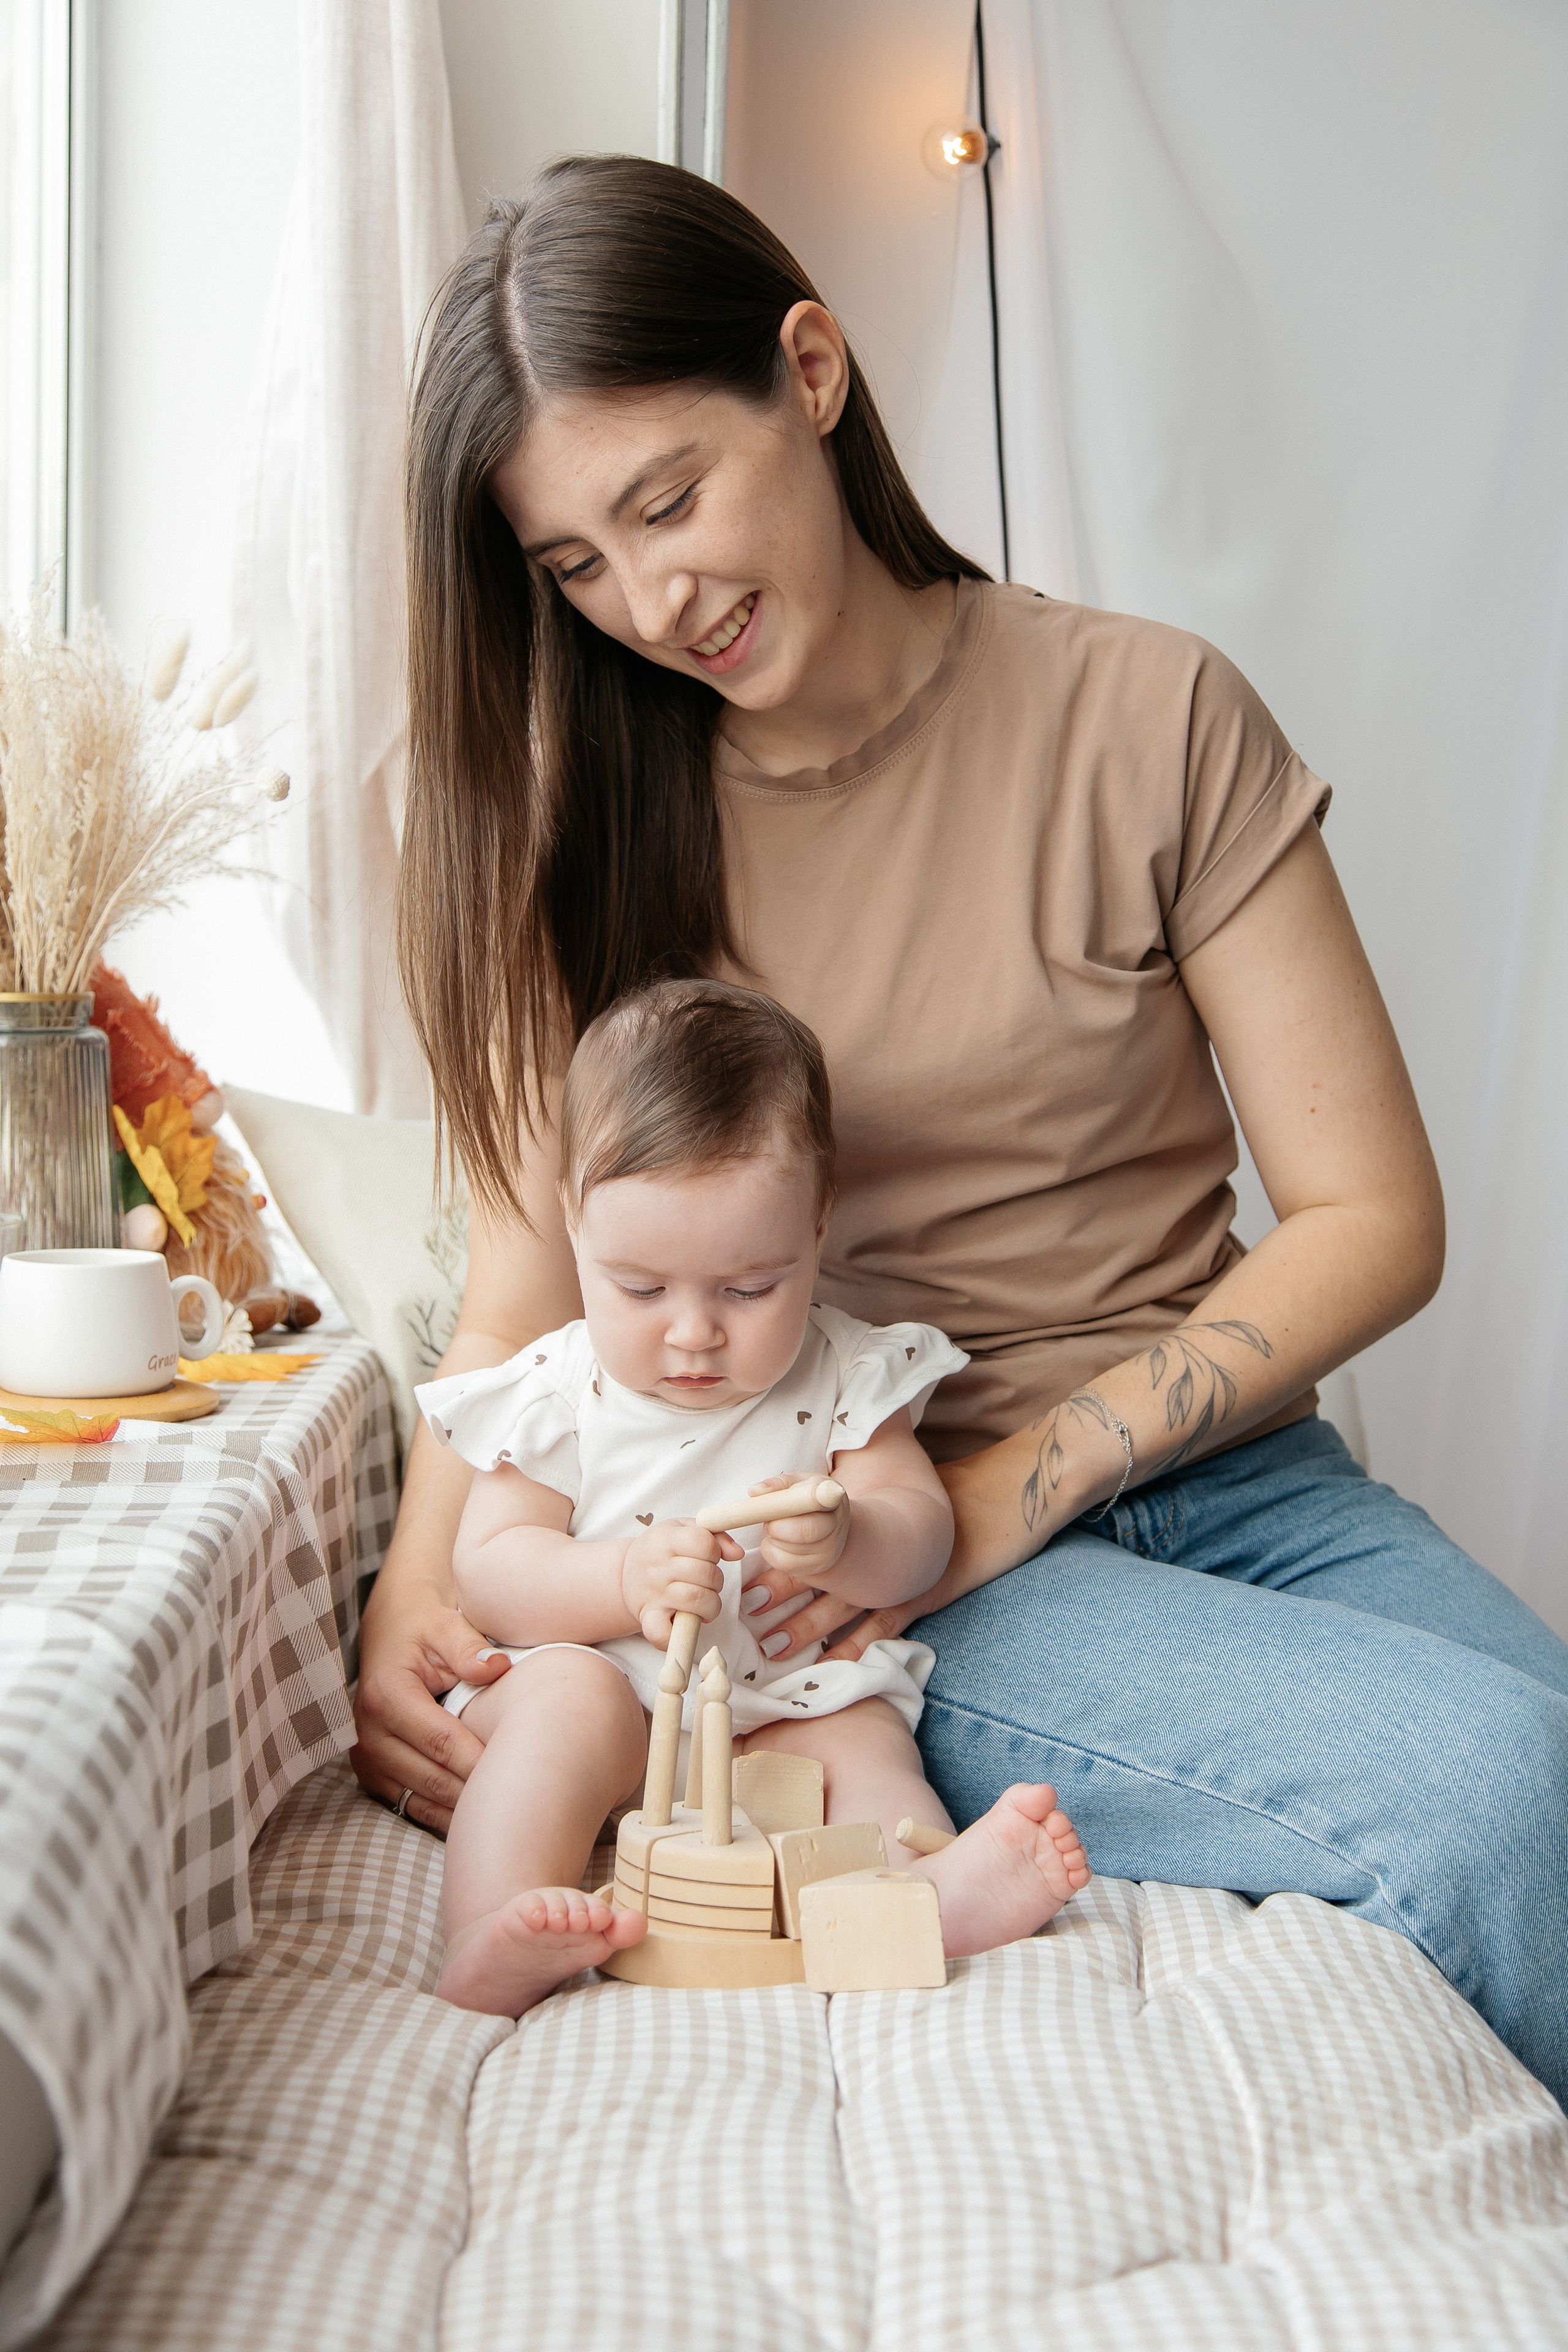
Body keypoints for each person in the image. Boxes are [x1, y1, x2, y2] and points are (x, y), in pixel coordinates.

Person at [355, 156, 1568, 2101]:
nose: (650, 598)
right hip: (890, 1542)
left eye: (667, 498)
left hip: (1221, 1486)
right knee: (1513, 1804)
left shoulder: (1151, 710)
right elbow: (521, 1295)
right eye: (575, 563)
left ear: (811, 372)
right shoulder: (603, 835)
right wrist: (423, 1586)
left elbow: (1372, 1215)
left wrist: (1044, 1473)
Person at [417, 979, 1090, 2015]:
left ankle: (918, 1894)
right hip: (606, 1681)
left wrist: (850, 1533)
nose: (694, 1332)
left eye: (747, 1289)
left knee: (860, 1730)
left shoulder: (847, 1375)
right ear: (572, 1226)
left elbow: (921, 1537)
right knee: (565, 1707)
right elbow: (492, 1572)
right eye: (640, 1288)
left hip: (770, 1699)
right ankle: (492, 1928)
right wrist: (618, 1577)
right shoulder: (554, 1390)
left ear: (817, 1229)